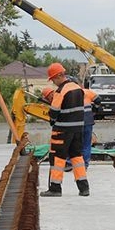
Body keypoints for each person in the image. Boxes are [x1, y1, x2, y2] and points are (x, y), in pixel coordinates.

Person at [42, 62, 89, 197]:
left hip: (62, 130)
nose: (53, 83)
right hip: (77, 129)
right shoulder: (78, 88)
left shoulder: (60, 91)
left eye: (53, 80)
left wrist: (52, 119)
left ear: (58, 76)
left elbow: (54, 112)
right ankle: (84, 188)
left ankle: (55, 188)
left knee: (57, 158)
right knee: (77, 157)